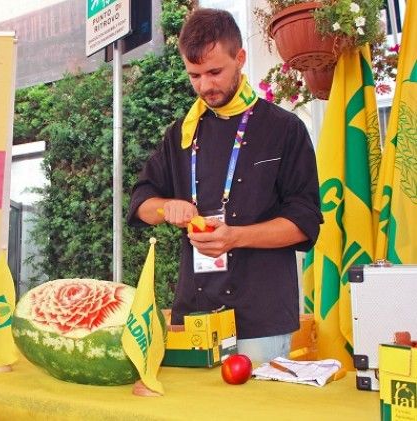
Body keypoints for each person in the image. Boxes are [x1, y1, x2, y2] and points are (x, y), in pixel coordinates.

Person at [127, 8, 322, 363]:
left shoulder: (284, 129)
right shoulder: (180, 135)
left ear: (240, 58)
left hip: (261, 320)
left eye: (215, 72)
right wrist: (165, 206)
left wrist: (235, 236)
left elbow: (304, 221)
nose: (205, 86)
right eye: (195, 75)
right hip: (195, 316)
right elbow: (141, 200)